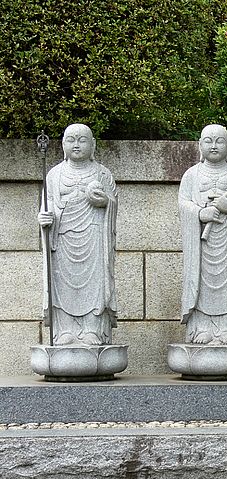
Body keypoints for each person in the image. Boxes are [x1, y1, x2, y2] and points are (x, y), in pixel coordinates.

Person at [37, 123, 119, 346]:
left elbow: (113, 204)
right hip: (62, 237)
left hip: (93, 236)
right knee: (62, 285)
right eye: (71, 140)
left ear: (92, 145)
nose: (76, 144)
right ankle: (65, 330)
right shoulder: (54, 175)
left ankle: (92, 329)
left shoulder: (103, 174)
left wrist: (105, 202)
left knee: (95, 284)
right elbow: (47, 205)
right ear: (63, 145)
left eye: (82, 140)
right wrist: (44, 219)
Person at [178, 124, 227, 344]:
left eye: (220, 141)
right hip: (201, 244)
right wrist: (201, 213)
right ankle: (200, 328)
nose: (214, 145)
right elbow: (183, 204)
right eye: (208, 140)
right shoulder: (191, 175)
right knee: (199, 284)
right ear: (200, 145)